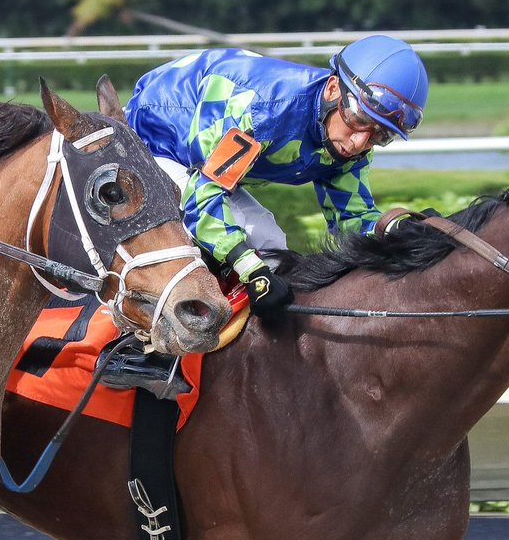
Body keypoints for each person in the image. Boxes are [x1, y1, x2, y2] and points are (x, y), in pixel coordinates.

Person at [100, 35, 428, 392]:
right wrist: (249, 268)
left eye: (381, 135)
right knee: (228, 244)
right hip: (156, 140)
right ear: (334, 89)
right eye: (359, 119)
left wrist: (400, 231)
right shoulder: (265, 112)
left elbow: (351, 222)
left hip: (205, 157)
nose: (360, 141)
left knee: (271, 245)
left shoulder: (350, 141)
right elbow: (202, 199)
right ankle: (132, 349)